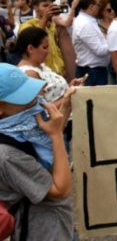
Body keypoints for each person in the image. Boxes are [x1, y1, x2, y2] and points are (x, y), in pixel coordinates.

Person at [0, 63, 74, 241]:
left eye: (34, 93)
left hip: (57, 222)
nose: (36, 101)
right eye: (25, 99)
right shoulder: (7, 156)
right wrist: (56, 134)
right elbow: (60, 190)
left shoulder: (20, 130)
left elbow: (46, 139)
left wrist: (65, 107)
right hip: (42, 230)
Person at [16, 27, 85, 105]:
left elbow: (53, 94)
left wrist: (69, 87)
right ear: (31, 49)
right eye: (45, 47)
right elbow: (43, 109)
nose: (48, 51)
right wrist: (69, 95)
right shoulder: (30, 74)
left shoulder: (40, 66)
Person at [19, 0, 65, 76]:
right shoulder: (27, 25)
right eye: (45, 6)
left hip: (57, 73)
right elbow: (33, 44)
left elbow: (56, 49)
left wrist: (62, 66)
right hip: (39, 73)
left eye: (51, 6)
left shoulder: (51, 25)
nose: (49, 9)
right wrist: (44, 18)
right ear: (36, 8)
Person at [72, 0, 110, 86]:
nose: (100, 8)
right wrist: (116, 43)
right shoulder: (85, 24)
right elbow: (99, 50)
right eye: (99, 5)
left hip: (94, 71)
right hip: (92, 72)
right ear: (91, 7)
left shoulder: (88, 21)